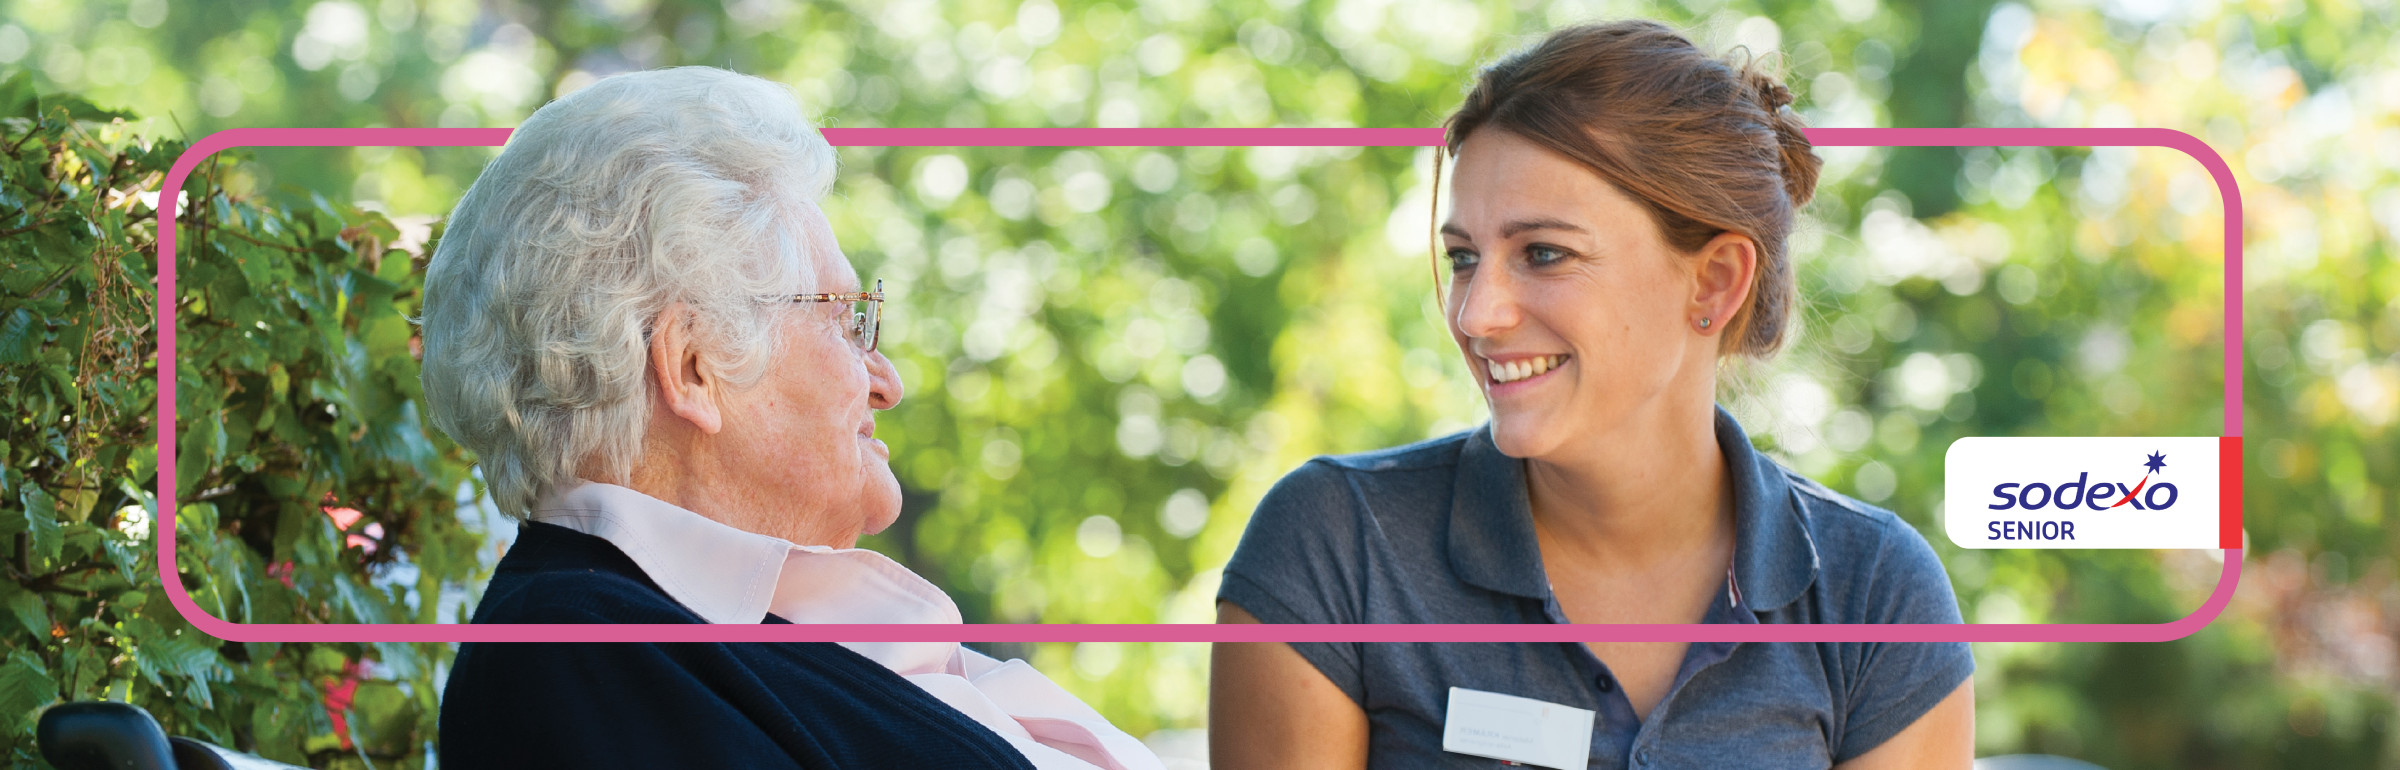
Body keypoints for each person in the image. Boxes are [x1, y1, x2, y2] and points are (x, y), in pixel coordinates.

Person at [1210, 21, 1975, 770]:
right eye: (1465, 257)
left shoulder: (1877, 594)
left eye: (1544, 254)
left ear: (1713, 281)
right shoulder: (1337, 548)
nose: (1476, 314)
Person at [420, 66, 1160, 770]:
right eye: (847, 322)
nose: (887, 381)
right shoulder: (576, 655)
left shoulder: (725, 629)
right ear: (693, 366)